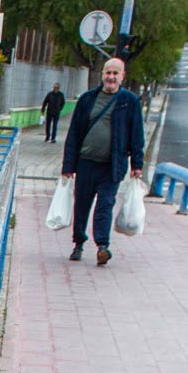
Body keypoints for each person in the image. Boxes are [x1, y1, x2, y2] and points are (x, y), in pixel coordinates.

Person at [59, 58, 145, 267]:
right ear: (102, 74)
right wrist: (68, 167)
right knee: (82, 205)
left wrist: (137, 164)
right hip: (86, 163)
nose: (111, 77)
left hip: (112, 166)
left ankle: (102, 246)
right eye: (108, 73)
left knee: (105, 205)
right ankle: (78, 242)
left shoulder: (129, 101)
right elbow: (74, 134)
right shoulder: (88, 99)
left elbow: (137, 134)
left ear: (122, 76)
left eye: (116, 73)